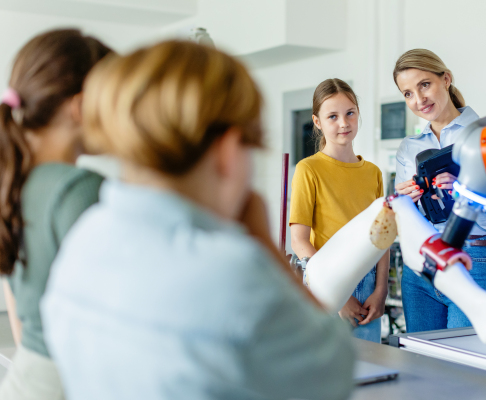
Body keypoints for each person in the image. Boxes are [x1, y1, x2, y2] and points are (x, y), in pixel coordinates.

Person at [41, 41, 354, 400]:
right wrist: (265, 247)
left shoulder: (85, 237)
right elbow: (333, 373)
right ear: (229, 152)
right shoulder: (233, 274)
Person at [0, 29, 112, 400]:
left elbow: (18, 304)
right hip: (70, 381)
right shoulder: (79, 188)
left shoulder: (13, 180)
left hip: (30, 376)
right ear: (79, 107)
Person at [393, 49, 486, 333]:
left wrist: (463, 192)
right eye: (408, 93)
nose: (419, 99)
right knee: (424, 368)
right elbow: (404, 222)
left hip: (474, 258)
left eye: (425, 85)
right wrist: (405, 204)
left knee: (468, 370)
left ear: (445, 79)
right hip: (421, 264)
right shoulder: (409, 148)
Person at [290, 78, 389, 343]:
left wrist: (381, 289)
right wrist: (339, 296)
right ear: (318, 122)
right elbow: (299, 241)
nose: (343, 123)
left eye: (350, 113)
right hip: (326, 280)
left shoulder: (373, 173)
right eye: (332, 116)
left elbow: (382, 238)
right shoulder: (308, 169)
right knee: (329, 375)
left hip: (369, 286)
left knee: (374, 371)